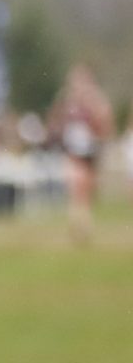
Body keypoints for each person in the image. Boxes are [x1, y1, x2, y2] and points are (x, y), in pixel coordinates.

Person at [51, 65, 117, 246]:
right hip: (73, 150)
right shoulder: (66, 100)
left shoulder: (96, 101)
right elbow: (57, 119)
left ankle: (82, 223)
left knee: (85, 190)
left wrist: (100, 139)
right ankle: (79, 224)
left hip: (90, 150)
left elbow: (105, 123)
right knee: (75, 184)